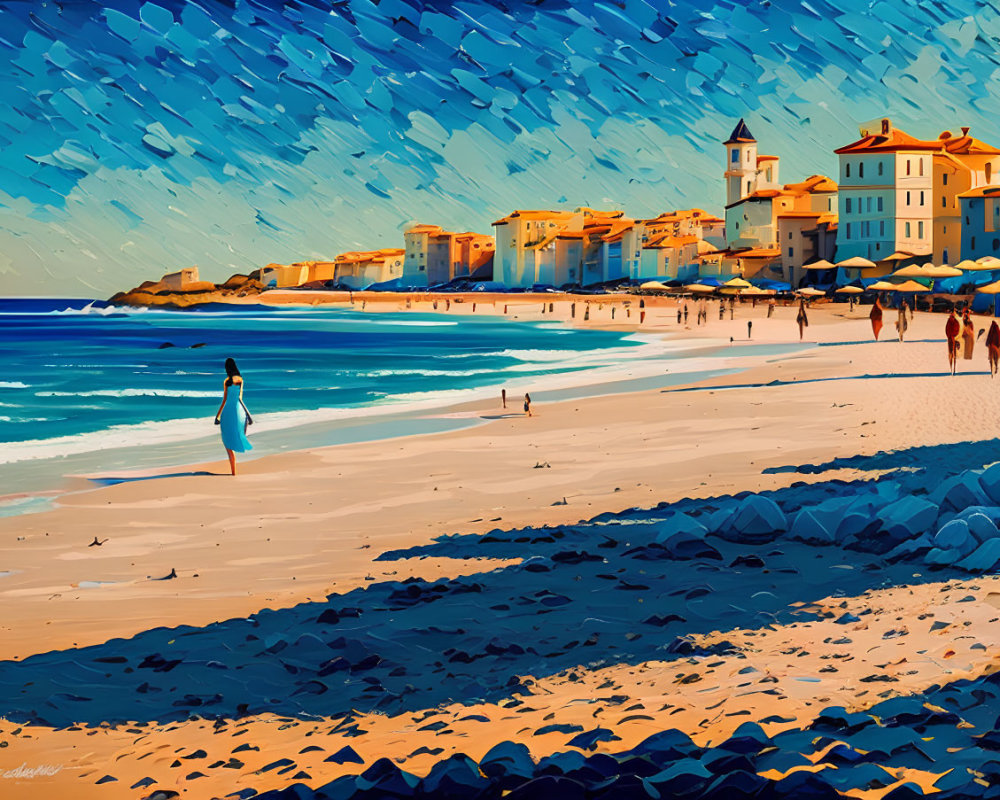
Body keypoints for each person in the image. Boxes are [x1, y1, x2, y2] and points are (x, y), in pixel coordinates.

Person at [214, 358, 253, 476]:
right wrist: (248, 415)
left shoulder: (226, 381)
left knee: (227, 440)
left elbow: (224, 400)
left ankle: (233, 471)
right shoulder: (240, 380)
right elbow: (240, 399)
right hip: (239, 411)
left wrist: (218, 416)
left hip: (227, 412)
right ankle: (234, 472)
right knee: (238, 434)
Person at [946, 310, 961, 375]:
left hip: (953, 338)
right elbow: (947, 330)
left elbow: (957, 330)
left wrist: (952, 336)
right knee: (951, 354)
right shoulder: (950, 321)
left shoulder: (955, 322)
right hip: (951, 338)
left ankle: (953, 368)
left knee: (952, 354)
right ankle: (952, 368)